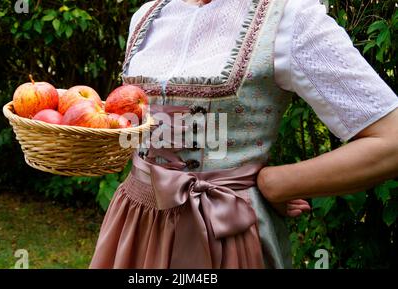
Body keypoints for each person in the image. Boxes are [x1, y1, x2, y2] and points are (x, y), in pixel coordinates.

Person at [89, 0, 398, 269]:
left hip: (224, 229)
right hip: (136, 220)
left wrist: (277, 183)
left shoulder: (289, 17)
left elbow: (391, 140)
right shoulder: (148, 16)